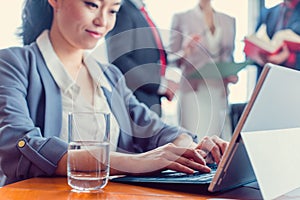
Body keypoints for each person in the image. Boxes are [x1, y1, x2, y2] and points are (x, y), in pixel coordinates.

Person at [0, 0, 228, 186]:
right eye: (91, 5)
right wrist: (135, 163)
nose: (103, 21)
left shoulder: (109, 75)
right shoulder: (13, 64)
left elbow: (153, 128)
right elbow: (20, 146)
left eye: (113, 10)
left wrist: (189, 149)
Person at [169, 0, 238, 140]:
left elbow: (229, 57)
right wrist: (186, 51)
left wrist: (233, 74)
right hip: (193, 92)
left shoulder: (229, 20)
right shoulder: (182, 18)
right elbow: (170, 58)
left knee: (218, 142)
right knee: (194, 141)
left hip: (219, 91)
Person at [105, 0, 179, 117]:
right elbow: (119, 60)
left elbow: (153, 56)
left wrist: (184, 53)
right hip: (136, 103)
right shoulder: (123, 10)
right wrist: (161, 84)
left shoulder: (140, 11)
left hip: (149, 102)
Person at [254, 0, 300, 80]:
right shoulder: (266, 13)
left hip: (293, 80)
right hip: (268, 80)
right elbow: (253, 45)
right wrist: (258, 57)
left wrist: (290, 58)